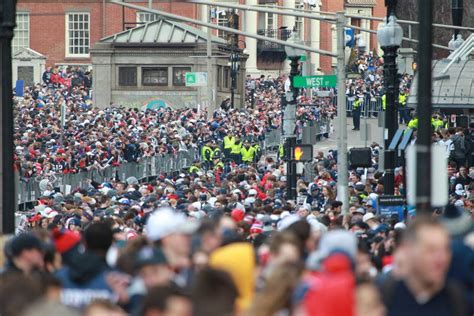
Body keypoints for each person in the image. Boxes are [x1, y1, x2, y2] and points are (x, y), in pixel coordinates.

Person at [380, 217, 469, 316]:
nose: (441, 258)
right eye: (431, 250)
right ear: (408, 251)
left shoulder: (456, 299)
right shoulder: (385, 296)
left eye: (445, 249)